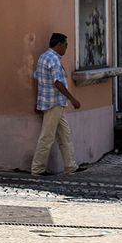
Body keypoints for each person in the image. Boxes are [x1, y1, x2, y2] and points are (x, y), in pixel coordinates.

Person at [31, 32, 80, 176]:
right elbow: (57, 82)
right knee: (47, 137)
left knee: (65, 135)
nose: (66, 48)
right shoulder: (53, 59)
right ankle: (37, 168)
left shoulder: (44, 57)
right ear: (59, 45)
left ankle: (71, 166)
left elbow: (38, 78)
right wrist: (72, 99)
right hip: (53, 104)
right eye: (65, 45)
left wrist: (38, 101)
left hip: (53, 103)